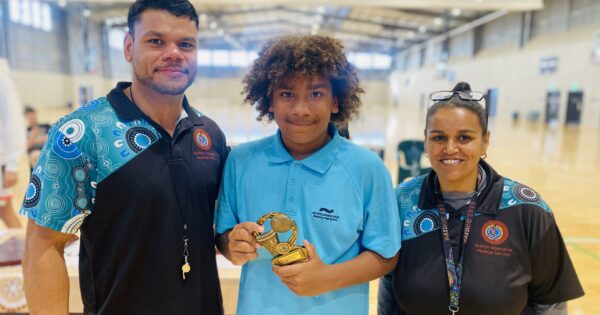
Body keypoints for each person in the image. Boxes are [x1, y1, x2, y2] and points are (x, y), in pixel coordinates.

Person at [20, 1, 228, 314]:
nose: (173, 53)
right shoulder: (81, 133)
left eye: (186, 44)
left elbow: (216, 231)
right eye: (155, 41)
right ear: (129, 47)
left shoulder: (209, 135)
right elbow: (43, 245)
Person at [215, 34, 401, 315]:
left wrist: (327, 277)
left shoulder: (367, 169)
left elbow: (386, 255)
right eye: (287, 94)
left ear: (335, 102)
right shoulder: (241, 161)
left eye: (315, 94)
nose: (301, 109)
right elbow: (223, 236)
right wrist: (233, 245)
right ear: (270, 102)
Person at [378, 82, 584, 315]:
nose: (450, 148)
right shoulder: (402, 202)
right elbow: (389, 285)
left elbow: (550, 303)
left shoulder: (527, 208)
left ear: (485, 141)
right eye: (438, 138)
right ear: (426, 140)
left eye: (464, 138)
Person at [0, 60, 26, 229]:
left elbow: (14, 121)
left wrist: (12, 164)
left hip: (1, 160)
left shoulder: (2, 79)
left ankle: (22, 255)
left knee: (5, 211)